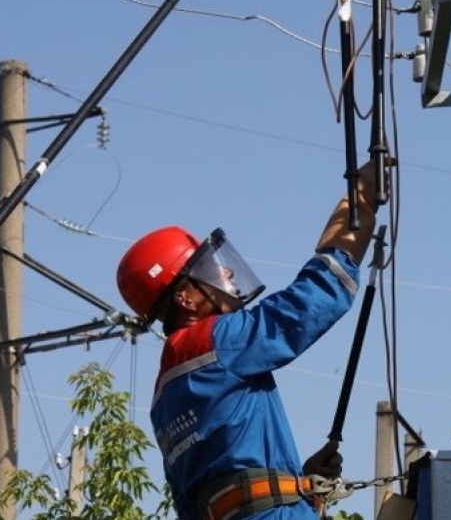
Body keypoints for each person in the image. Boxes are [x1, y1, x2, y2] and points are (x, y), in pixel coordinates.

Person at [116, 159, 386, 520]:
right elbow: (312, 302)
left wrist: (294, 483)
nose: (225, 271)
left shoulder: (163, 401)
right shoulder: (216, 341)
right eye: (207, 270)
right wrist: (361, 199)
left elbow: (196, 503)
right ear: (185, 298)